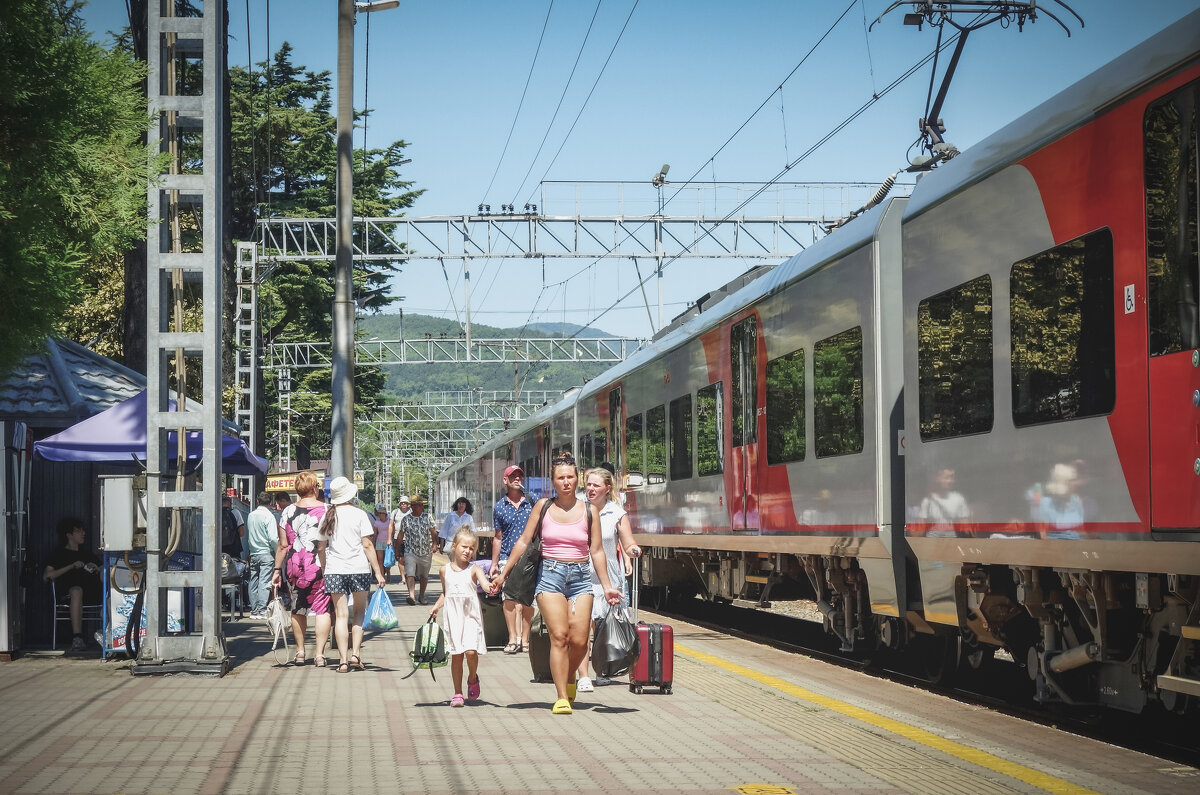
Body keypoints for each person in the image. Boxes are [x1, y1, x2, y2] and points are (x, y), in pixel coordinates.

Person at [490, 454, 622, 714]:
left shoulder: (589, 511)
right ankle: (562, 695)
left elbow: (596, 551)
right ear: (553, 482)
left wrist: (606, 586)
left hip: (582, 577)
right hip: (550, 575)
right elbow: (523, 542)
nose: (566, 482)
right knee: (559, 636)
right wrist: (503, 574)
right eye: (560, 478)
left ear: (578, 480)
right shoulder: (542, 507)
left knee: (581, 641)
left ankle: (570, 673)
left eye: (570, 477)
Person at [576, 467, 640, 691]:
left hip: (609, 578)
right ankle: (583, 675)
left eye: (596, 485)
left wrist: (633, 550)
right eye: (588, 484)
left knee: (603, 627)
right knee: (582, 627)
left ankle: (602, 669)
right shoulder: (577, 508)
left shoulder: (616, 513)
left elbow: (628, 540)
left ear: (607, 488)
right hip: (582, 574)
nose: (590, 488)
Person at [320, 476, 387, 674]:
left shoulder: (328, 515)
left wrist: (325, 570)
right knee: (359, 613)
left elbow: (321, 548)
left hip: (335, 570)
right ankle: (356, 654)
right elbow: (367, 544)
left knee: (340, 616)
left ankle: (342, 661)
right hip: (359, 569)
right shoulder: (359, 514)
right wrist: (378, 571)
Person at [270, 471, 332, 666]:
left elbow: (282, 545)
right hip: (321, 564)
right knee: (322, 609)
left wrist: (276, 570)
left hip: (295, 565)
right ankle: (320, 655)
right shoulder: (327, 510)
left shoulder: (286, 512)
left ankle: (300, 652)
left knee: (298, 608)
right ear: (315, 488)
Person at [429, 527, 492, 706]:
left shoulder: (475, 569)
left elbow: (485, 584)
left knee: (471, 652)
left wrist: (490, 587)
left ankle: (472, 678)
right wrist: (436, 606)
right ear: (454, 546)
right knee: (457, 655)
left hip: (470, 616)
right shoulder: (444, 570)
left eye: (472, 548)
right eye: (464, 547)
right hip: (453, 618)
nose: (468, 551)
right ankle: (457, 693)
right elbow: (445, 592)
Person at [489, 464, 534, 654]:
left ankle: (525, 639)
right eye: (513, 476)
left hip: (530, 557)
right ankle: (512, 638)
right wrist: (494, 563)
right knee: (508, 598)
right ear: (505, 481)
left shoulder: (532, 502)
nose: (517, 479)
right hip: (507, 557)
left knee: (527, 601)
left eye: (519, 476)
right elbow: (498, 537)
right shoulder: (499, 507)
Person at [43, 517, 101, 652]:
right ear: (69, 535)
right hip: (68, 595)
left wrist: (97, 568)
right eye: (78, 531)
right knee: (76, 591)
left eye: (83, 530)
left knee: (105, 589)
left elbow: (103, 568)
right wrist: (71, 566)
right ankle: (77, 637)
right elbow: (47, 576)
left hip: (90, 592)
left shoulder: (87, 554)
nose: (83, 533)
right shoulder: (59, 554)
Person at [398, 495, 436, 605]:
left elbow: (433, 532)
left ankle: (422, 596)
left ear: (422, 506)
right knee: (410, 573)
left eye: (418, 505)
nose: (416, 507)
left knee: (424, 576)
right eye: (414, 505)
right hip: (410, 551)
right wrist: (396, 549)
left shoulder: (427, 517)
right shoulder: (406, 519)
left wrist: (434, 544)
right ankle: (411, 596)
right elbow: (401, 535)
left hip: (425, 551)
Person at [245, 492, 278, 618]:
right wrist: (277, 551)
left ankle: (254, 610)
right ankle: (262, 610)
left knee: (253, 581)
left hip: (254, 553)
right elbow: (273, 538)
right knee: (264, 581)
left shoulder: (251, 515)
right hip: (266, 553)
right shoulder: (269, 516)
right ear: (270, 503)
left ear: (257, 501)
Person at [389, 495, 411, 580]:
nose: (404, 504)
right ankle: (403, 577)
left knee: (410, 558)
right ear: (400, 504)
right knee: (400, 558)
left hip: (410, 538)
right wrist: (389, 538)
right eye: (402, 503)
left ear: (408, 504)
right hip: (398, 539)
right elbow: (390, 525)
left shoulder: (411, 511)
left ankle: (410, 575)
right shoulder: (395, 512)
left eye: (405, 503)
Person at [371, 504, 394, 582]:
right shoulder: (377, 523)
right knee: (380, 560)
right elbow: (375, 534)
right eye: (379, 513)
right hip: (379, 542)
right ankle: (382, 576)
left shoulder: (389, 521)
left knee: (387, 559)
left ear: (385, 514)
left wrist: (391, 540)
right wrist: (373, 544)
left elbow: (393, 531)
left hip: (387, 542)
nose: (380, 515)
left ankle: (388, 572)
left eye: (382, 513)